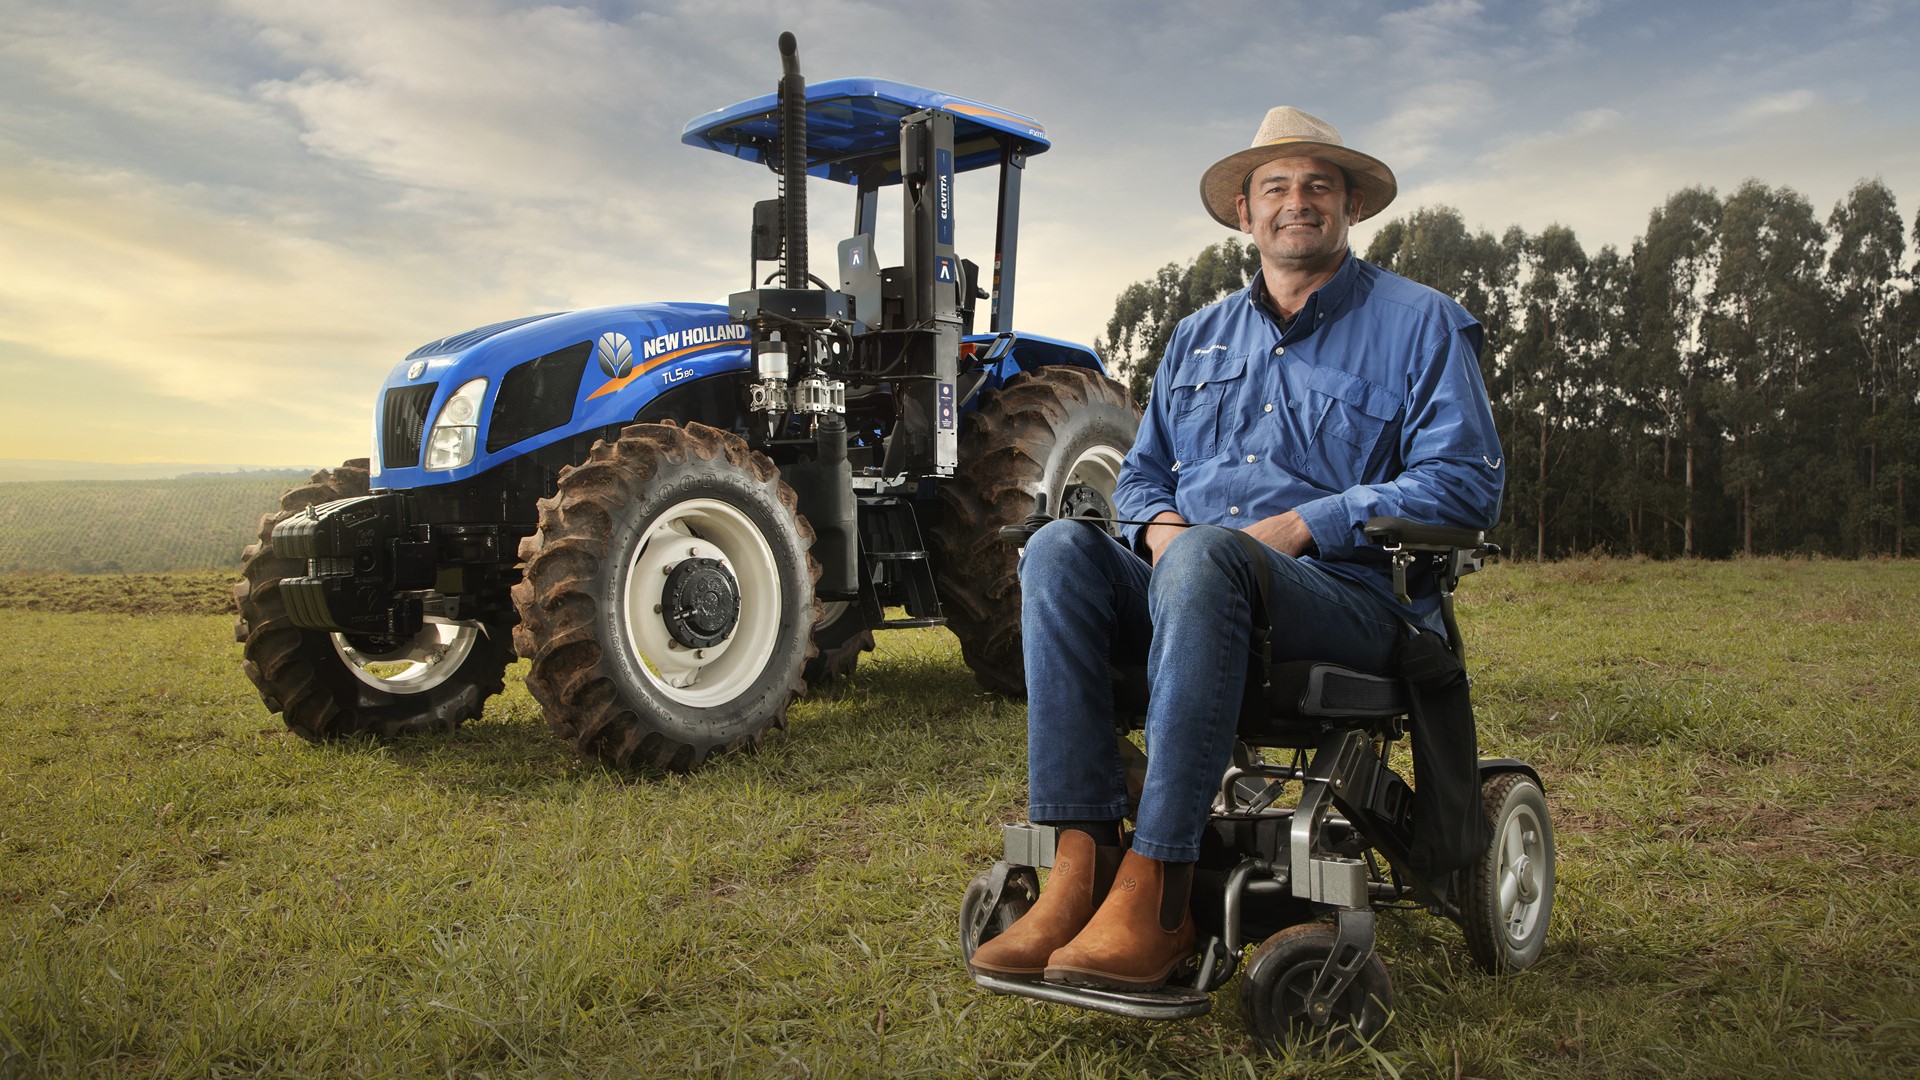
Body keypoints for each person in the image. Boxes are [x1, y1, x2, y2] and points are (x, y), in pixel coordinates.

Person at [967, 107, 1504, 991]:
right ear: (1244, 215)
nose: (1299, 203)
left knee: (1211, 556)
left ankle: (1161, 896)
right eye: (1277, 189)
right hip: (1192, 589)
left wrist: (1308, 522)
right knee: (1060, 547)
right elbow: (1140, 480)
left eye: (1318, 187)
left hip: (1345, 601)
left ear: (1351, 206)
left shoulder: (1423, 325)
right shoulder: (1195, 337)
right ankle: (1079, 869)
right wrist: (1161, 529)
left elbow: (1465, 486)